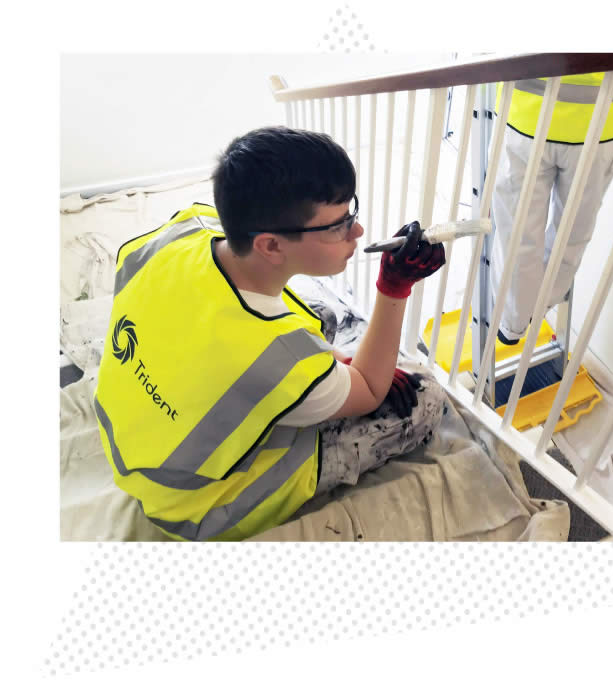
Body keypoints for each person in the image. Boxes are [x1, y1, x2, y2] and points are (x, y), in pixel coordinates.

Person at [93, 126, 447, 541]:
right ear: (271, 246)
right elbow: (370, 389)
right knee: (426, 398)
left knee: (321, 316)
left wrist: (334, 366)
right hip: (192, 503)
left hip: (131, 440)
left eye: (351, 212)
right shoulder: (276, 359)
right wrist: (395, 286)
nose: (358, 232)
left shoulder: (182, 232)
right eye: (338, 225)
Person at [490, 69, 613, 345]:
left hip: (530, 116)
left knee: (520, 236)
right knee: (570, 236)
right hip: (602, 123)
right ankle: (529, 315)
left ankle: (516, 322)